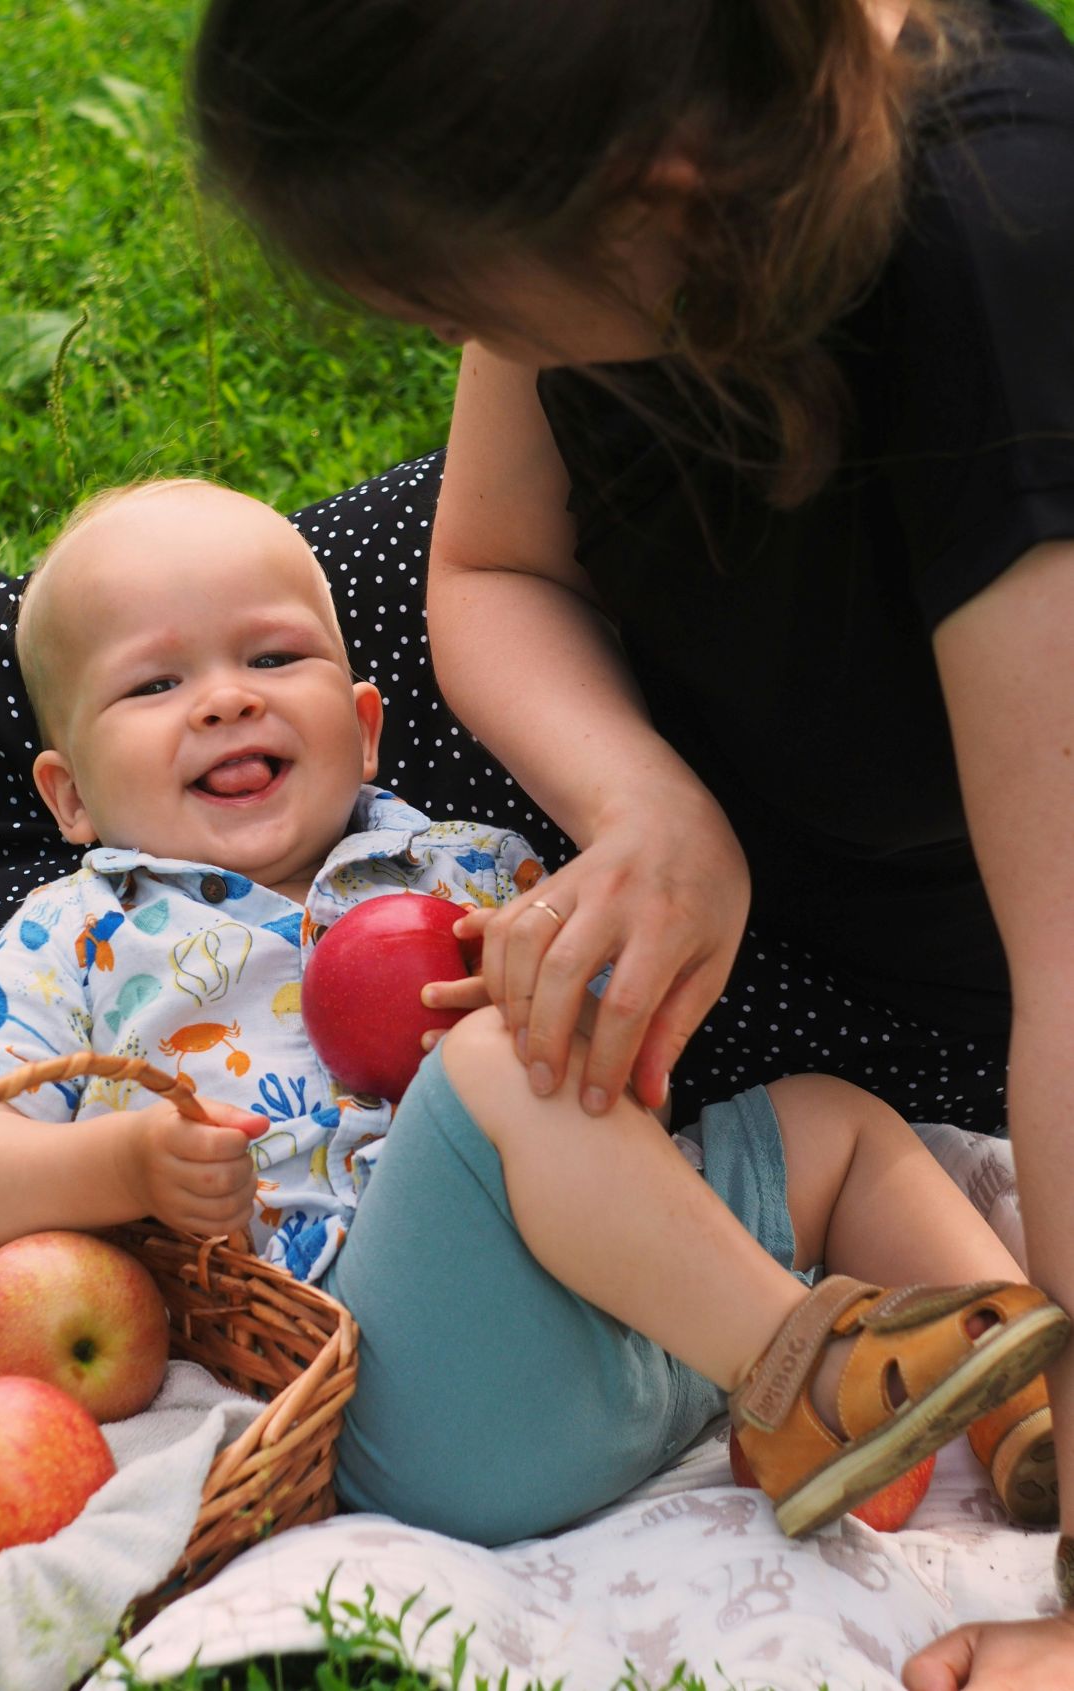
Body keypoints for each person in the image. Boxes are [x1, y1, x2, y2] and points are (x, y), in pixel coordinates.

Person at [190, 0, 1074, 1680]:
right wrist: (642, 802)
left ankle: (884, 1375)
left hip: (917, 951)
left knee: (252, 732)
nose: (442, 333)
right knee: (202, 645)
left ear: (658, 197)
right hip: (700, 761)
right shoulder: (627, 80)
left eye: (452, 297)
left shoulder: (1003, 276)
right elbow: (493, 565)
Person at [0, 476, 1065, 1559]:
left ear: (363, 724)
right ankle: (805, 1380)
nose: (227, 698)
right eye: (155, 685)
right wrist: (125, 1164)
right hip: (418, 1393)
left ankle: (1027, 1401)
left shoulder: (466, 866)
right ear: (69, 793)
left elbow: (623, 1091)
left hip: (654, 1321)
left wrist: (584, 997)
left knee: (838, 1123)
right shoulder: (81, 931)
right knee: (494, 1061)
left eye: (272, 654)